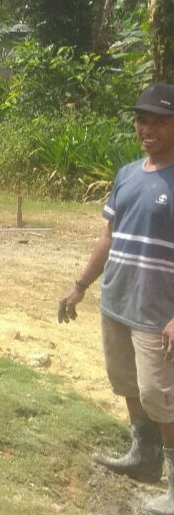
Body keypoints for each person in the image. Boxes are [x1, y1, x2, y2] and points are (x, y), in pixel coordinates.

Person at [59, 84, 174, 514]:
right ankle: (142, 458)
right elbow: (107, 238)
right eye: (142, 120)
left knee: (160, 395)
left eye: (159, 120)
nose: (148, 128)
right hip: (118, 302)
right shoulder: (127, 174)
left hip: (158, 312)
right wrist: (80, 285)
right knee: (126, 382)